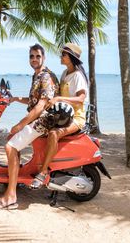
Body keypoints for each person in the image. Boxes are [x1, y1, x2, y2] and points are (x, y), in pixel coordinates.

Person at [0, 43, 59, 209]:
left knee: (10, 147)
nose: (34, 59)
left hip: (44, 122)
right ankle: (15, 178)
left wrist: (19, 125)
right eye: (31, 56)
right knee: (13, 141)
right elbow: (33, 100)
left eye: (37, 56)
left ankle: (10, 196)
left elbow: (40, 107)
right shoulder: (37, 75)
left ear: (44, 58)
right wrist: (16, 99)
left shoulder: (46, 77)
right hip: (39, 120)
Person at [31, 42, 88, 189]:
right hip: (63, 115)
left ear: (71, 57)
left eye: (63, 54)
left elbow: (81, 99)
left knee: (54, 133)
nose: (61, 56)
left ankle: (43, 172)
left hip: (76, 118)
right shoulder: (65, 74)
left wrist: (59, 99)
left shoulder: (78, 76)